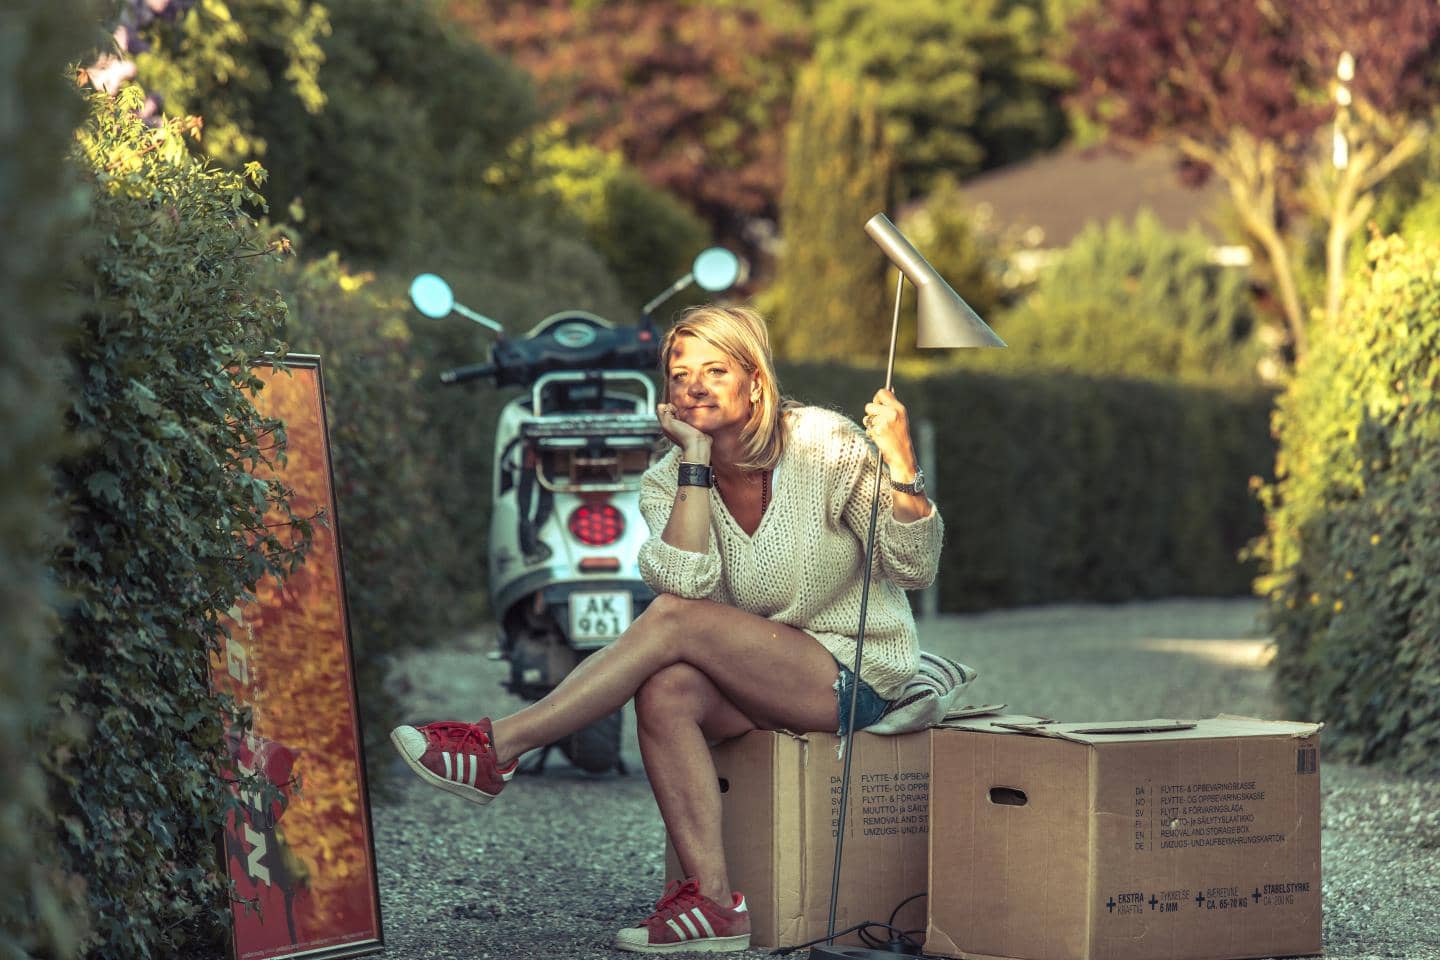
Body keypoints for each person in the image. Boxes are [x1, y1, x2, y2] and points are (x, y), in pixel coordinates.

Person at [390, 305, 943, 954]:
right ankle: (713, 904)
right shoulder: (665, 479)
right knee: (665, 691)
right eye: (681, 376)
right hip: (757, 680)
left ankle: (500, 746)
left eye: (715, 371)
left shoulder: (825, 444)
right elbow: (683, 584)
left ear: (755, 382)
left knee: (674, 627)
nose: (695, 387)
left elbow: (913, 568)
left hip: (855, 674)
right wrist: (696, 463)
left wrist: (901, 463)